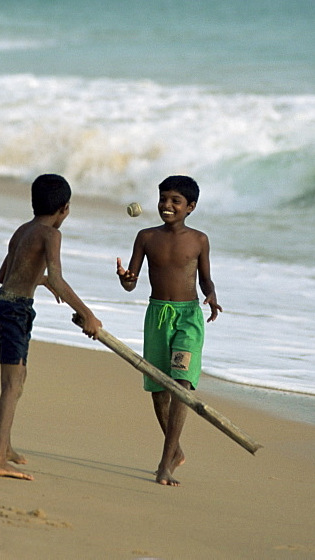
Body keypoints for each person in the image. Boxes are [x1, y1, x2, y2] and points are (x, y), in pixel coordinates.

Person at [0, 173, 102, 481]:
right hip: (15, 310)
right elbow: (60, 280)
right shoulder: (52, 235)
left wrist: (39, 279)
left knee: (17, 379)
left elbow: (4, 275)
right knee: (12, 386)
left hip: (1, 304)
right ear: (65, 208)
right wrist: (87, 314)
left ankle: (5, 447)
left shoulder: (23, 230)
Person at [116, 175, 222, 486]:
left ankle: (165, 463)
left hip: (188, 317)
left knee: (181, 385)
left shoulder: (199, 240)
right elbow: (131, 283)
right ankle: (175, 450)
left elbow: (205, 278)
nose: (167, 205)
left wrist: (212, 294)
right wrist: (125, 277)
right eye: (163, 199)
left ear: (190, 207)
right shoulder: (146, 237)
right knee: (160, 391)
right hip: (157, 315)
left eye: (175, 201)